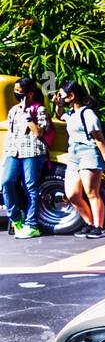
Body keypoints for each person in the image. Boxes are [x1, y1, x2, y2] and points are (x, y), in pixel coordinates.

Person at [55, 81, 105, 239]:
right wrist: (58, 103)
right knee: (72, 193)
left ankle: (99, 227)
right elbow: (59, 115)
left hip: (89, 153)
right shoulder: (71, 114)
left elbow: (99, 139)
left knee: (92, 192)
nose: (60, 97)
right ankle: (89, 223)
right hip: (73, 155)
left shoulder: (88, 114)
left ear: (72, 96)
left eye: (62, 95)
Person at [2, 76, 52, 239]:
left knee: (31, 187)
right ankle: (16, 219)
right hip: (14, 152)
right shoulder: (13, 110)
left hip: (33, 152)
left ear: (30, 94)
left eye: (20, 92)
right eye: (15, 91)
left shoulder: (40, 110)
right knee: (6, 182)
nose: (17, 94)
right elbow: (11, 134)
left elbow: (39, 133)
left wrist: (27, 115)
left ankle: (32, 225)